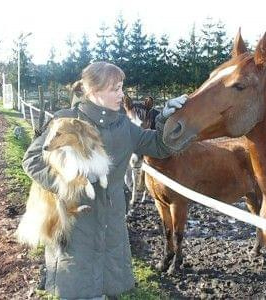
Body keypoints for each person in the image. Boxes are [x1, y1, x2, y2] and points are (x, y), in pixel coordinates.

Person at [22, 61, 187, 299]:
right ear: (93, 91)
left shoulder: (125, 127)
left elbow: (160, 146)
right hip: (76, 225)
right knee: (79, 290)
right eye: (115, 89)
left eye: (121, 87)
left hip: (112, 227)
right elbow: (32, 160)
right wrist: (69, 183)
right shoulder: (65, 120)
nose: (122, 94)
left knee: (108, 289)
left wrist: (168, 119)